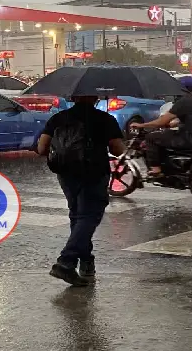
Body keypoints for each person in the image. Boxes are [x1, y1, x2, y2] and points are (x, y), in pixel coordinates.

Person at [37, 95, 126, 287]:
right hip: (95, 173)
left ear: (74, 97)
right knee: (89, 217)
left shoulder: (59, 118)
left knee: (78, 217)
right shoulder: (104, 119)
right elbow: (118, 150)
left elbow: (42, 147)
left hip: (66, 174)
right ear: (95, 98)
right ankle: (66, 262)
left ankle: (86, 264)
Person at [131, 76, 192, 177]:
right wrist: (175, 123)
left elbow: (161, 122)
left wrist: (141, 125)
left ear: (181, 88)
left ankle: (156, 169)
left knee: (151, 137)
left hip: (191, 138)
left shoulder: (185, 101)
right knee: (165, 136)